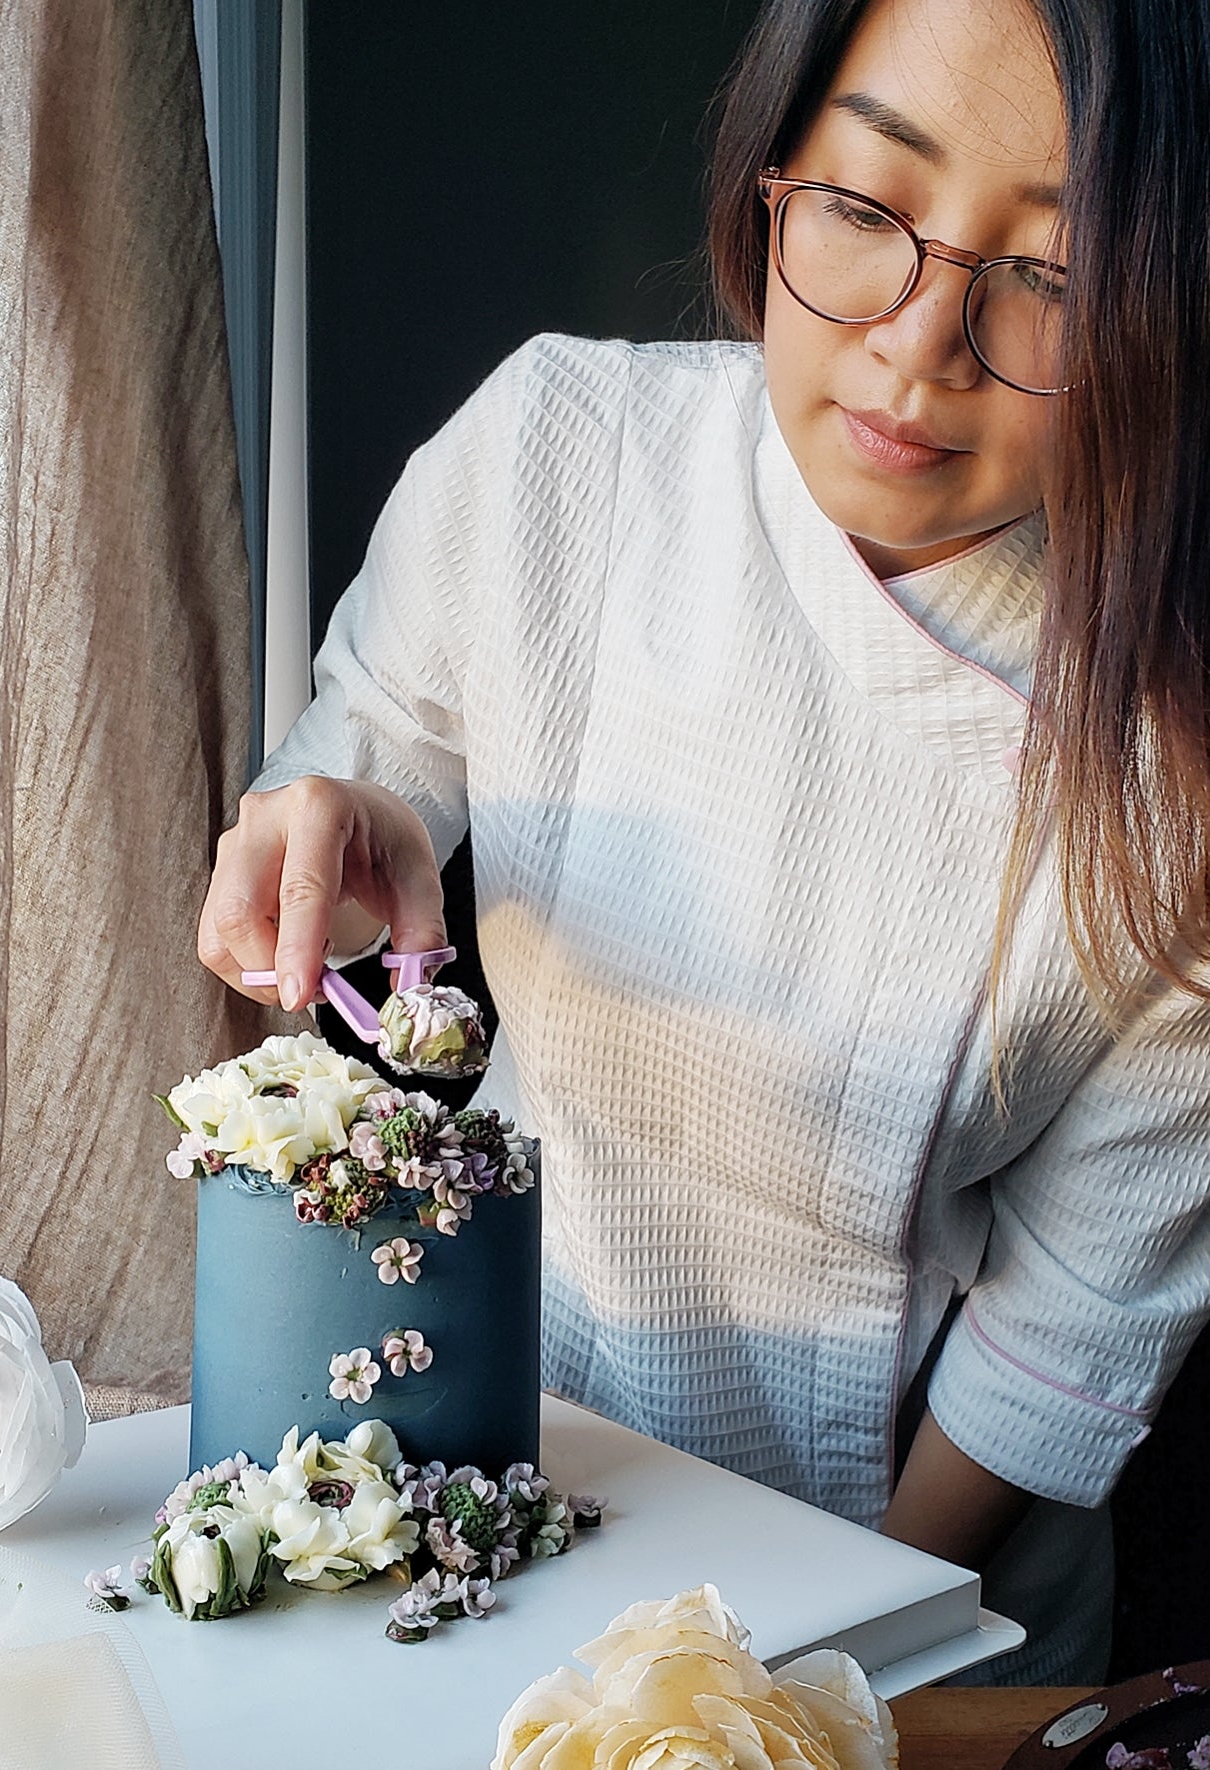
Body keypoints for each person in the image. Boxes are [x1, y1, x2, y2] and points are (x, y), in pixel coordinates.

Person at [198, 0, 1210, 1683]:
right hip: (516, 1478)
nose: (921, 341)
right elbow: (372, 761)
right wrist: (338, 824)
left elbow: (1069, 1330)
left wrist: (794, 1657)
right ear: (778, 168)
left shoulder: (1170, 762)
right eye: (873, 210)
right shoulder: (558, 458)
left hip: (921, 1588)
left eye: (1053, 276)